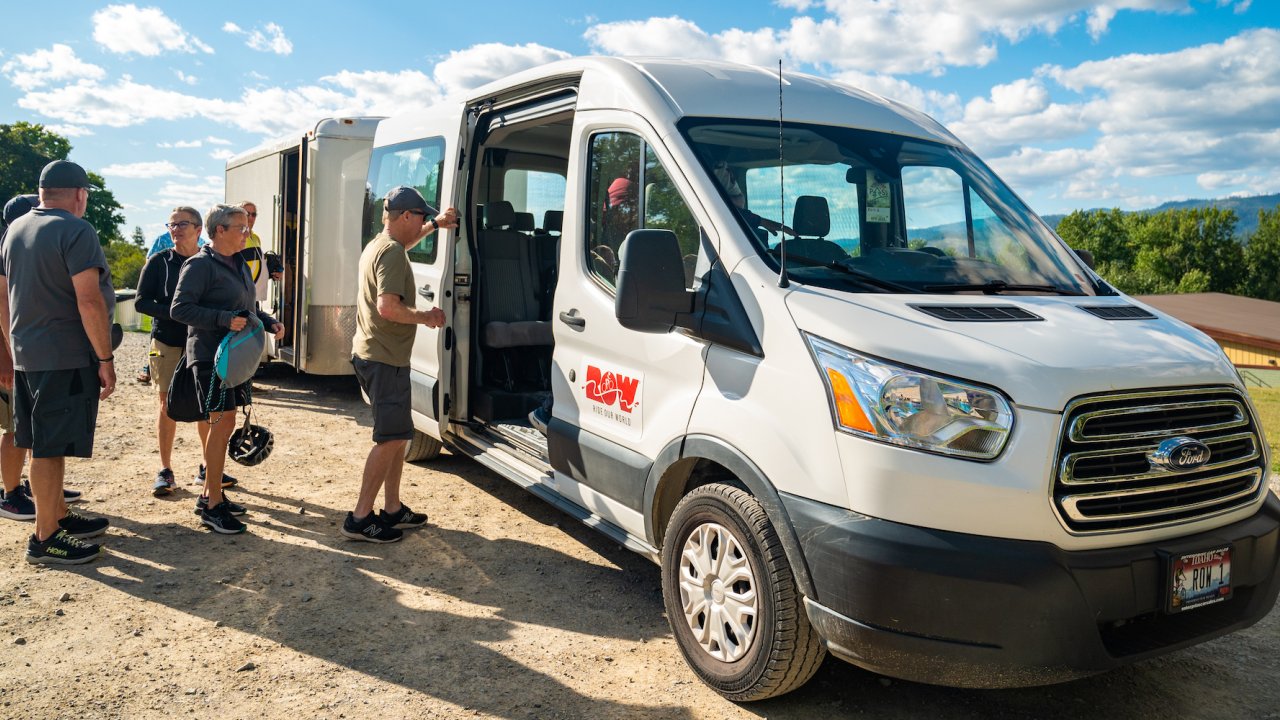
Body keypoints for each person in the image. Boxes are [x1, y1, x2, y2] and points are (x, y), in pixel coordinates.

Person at [0, 160, 115, 565]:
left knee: (43, 443)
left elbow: (3, 298)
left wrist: (13, 349)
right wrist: (105, 357)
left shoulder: (15, 229)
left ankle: (56, 516)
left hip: (29, 355)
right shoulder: (76, 229)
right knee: (49, 449)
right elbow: (88, 299)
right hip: (64, 356)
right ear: (80, 195)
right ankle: (45, 537)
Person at [343, 187, 456, 543]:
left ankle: (392, 509)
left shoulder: (381, 245)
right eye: (421, 216)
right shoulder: (391, 253)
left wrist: (435, 226)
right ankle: (359, 518)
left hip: (377, 355)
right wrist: (428, 316)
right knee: (390, 440)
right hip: (383, 359)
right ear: (406, 216)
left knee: (398, 436)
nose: (422, 221)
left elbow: (403, 246)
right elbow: (388, 308)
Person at [171, 204, 283, 534]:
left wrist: (267, 321)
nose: (247, 233)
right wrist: (221, 320)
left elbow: (246, 308)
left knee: (225, 422)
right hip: (211, 357)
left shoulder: (238, 262)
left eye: (247, 227)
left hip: (235, 356)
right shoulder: (199, 265)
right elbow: (179, 309)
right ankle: (211, 504)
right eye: (241, 228)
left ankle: (212, 494)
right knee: (221, 424)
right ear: (219, 230)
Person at [0, 194, 86, 522]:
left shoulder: (27, 251)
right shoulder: (9, 251)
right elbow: (3, 309)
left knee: (40, 431)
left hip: (27, 355)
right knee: (15, 430)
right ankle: (9, 494)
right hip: (15, 357)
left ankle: (44, 490)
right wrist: (6, 359)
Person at [135, 206, 206, 497]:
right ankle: (165, 470)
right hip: (165, 342)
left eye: (182, 224)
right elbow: (141, 302)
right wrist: (177, 314)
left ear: (199, 230)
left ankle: (206, 466)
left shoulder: (208, 262)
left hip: (201, 342)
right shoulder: (158, 262)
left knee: (206, 405)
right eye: (172, 225)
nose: (175, 230)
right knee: (166, 406)